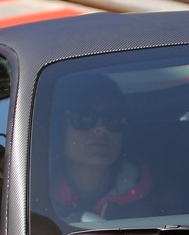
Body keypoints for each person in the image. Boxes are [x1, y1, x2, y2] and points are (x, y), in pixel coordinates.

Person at [49, 73, 175, 223]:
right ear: (59, 128)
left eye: (113, 118)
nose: (101, 129)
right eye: (84, 118)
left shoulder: (158, 200)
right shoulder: (29, 195)